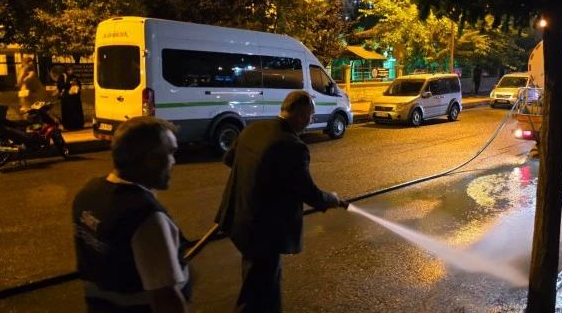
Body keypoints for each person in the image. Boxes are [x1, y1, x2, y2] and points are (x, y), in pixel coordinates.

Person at [216, 90, 346, 313]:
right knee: (261, 290)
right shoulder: (293, 146)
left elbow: (229, 159)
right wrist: (331, 199)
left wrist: (258, 179)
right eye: (309, 116)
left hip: (237, 217)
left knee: (257, 278)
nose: (310, 121)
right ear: (297, 114)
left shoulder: (254, 128)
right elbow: (309, 194)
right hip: (263, 229)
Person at [72, 116, 191, 313]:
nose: (173, 161)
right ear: (150, 159)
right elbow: (165, 300)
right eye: (170, 153)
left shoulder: (88, 192)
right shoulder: (146, 218)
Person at [52, 65, 85, 130]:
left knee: (77, 111)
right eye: (68, 70)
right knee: (68, 112)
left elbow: (79, 85)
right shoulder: (62, 76)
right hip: (66, 98)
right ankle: (68, 126)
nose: (70, 71)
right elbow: (60, 86)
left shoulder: (74, 77)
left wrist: (76, 85)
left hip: (75, 98)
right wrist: (69, 84)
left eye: (71, 69)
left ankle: (78, 125)